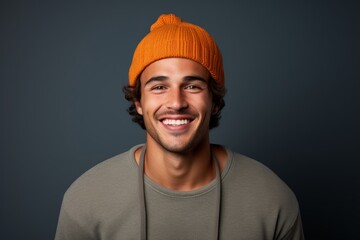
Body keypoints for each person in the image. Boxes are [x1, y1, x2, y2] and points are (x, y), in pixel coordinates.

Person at [55, 13, 304, 240]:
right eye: (159, 87)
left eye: (192, 86)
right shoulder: (86, 200)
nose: (176, 102)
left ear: (214, 101)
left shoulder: (272, 200)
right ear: (139, 101)